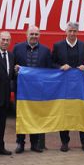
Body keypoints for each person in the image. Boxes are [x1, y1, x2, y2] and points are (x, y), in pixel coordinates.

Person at [52, 21, 84, 152]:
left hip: (80, 87)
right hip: (64, 87)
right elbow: (52, 62)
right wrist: (60, 67)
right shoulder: (58, 46)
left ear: (77, 32)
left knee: (82, 113)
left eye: (74, 31)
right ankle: (65, 142)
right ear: (66, 31)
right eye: (70, 31)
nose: (72, 33)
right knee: (64, 113)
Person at [12, 25, 53, 153]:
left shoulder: (46, 51)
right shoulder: (17, 48)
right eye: (32, 34)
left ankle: (34, 144)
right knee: (22, 116)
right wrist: (15, 69)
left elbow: (49, 70)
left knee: (36, 117)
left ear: (39, 36)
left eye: (36, 34)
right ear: (26, 35)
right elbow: (12, 67)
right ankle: (20, 143)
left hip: (38, 91)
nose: (34, 36)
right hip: (22, 90)